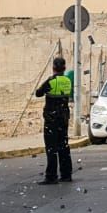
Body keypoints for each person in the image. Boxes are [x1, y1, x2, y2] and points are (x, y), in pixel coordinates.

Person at [33, 57, 74, 185]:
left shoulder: (51, 81)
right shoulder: (67, 80)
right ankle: (66, 174)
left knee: (51, 148)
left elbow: (38, 93)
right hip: (64, 118)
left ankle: (51, 176)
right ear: (64, 68)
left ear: (53, 68)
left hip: (52, 119)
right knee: (64, 146)